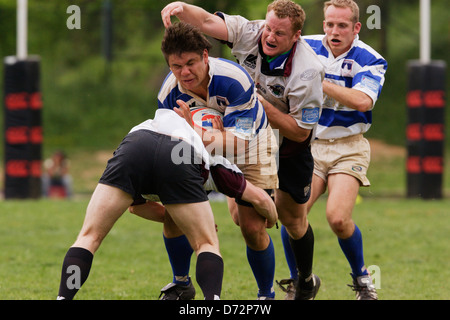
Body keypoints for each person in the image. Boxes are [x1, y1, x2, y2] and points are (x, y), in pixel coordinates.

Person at [161, 0, 325, 300]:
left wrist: (259, 106)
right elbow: (208, 22)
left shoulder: (309, 72)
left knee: (292, 220)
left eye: (279, 33)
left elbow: (301, 131)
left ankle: (304, 280)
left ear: (296, 36)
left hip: (286, 144)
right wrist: (181, 8)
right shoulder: (252, 32)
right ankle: (262, 293)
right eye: (269, 27)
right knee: (245, 222)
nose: (270, 37)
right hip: (236, 131)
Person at [156, 22, 280, 300]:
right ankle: (181, 283)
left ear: (204, 55)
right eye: (176, 66)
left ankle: (266, 295)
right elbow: (171, 142)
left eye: (190, 63)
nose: (184, 72)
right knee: (176, 213)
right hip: (198, 150)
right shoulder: (168, 95)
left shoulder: (234, 79)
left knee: (250, 226)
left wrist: (195, 130)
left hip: (252, 146)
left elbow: (239, 142)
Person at [57, 108, 227, 300]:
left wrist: (184, 220)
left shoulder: (153, 123)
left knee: (89, 236)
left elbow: (136, 206)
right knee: (206, 243)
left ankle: (63, 298)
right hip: (179, 151)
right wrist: (194, 224)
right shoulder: (216, 159)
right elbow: (257, 197)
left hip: (136, 145)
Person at [294, 0, 386, 300]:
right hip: (309, 145)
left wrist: (320, 81)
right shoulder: (303, 47)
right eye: (330, 24)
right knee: (293, 215)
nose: (335, 31)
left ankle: (362, 280)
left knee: (337, 218)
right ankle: (302, 281)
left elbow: (362, 101)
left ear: (356, 28)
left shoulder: (370, 59)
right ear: (323, 25)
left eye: (342, 25)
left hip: (349, 147)